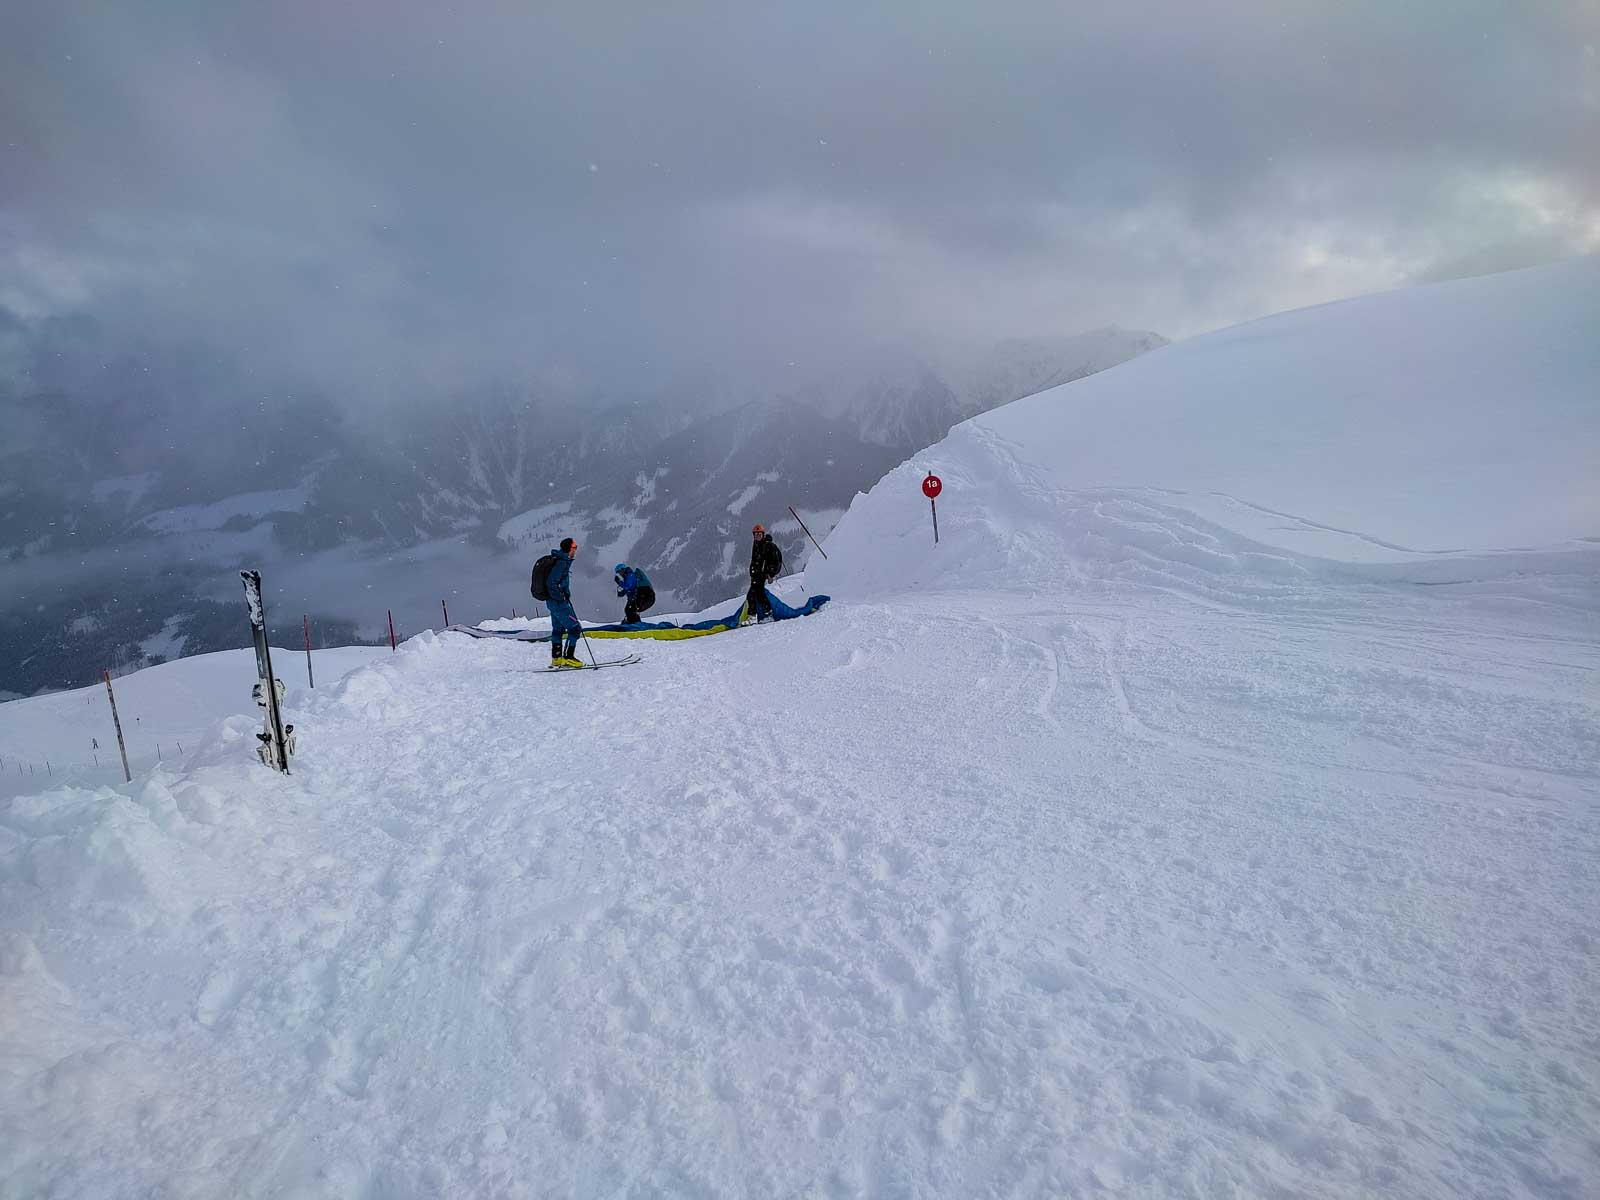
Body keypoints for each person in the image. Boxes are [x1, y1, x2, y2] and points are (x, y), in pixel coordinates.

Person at [546, 537, 584, 668]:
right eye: (574, 547)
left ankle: (557, 658)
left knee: (558, 629)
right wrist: (561, 597)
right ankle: (568, 657)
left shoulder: (559, 560)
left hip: (553, 602)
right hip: (559, 603)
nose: (576, 550)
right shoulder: (562, 563)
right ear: (569, 549)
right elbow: (551, 582)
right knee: (575, 628)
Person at [746, 523, 783, 623]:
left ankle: (754, 616)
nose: (758, 536)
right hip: (757, 574)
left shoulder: (768, 545)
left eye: (759, 534)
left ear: (763, 534)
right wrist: (752, 572)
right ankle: (766, 614)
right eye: (756, 534)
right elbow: (754, 560)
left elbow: (775, 561)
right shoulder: (756, 544)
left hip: (762, 574)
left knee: (753, 594)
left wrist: (770, 573)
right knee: (758, 594)